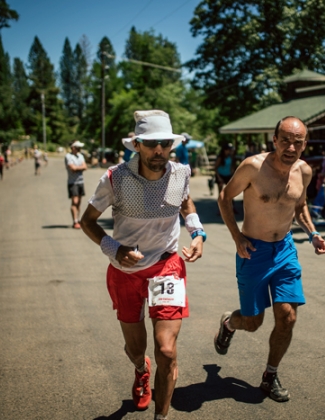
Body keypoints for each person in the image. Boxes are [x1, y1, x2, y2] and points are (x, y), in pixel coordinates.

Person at [81, 110, 205, 420]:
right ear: (137, 145)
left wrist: (198, 232)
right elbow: (87, 222)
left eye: (164, 143)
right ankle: (140, 369)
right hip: (126, 272)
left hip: (167, 267)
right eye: (151, 144)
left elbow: (186, 204)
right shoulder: (115, 178)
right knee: (137, 349)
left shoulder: (181, 173)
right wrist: (114, 247)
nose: (158, 151)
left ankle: (161, 416)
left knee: (166, 351)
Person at [213, 116, 325, 402]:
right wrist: (237, 237)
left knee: (287, 316)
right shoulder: (253, 167)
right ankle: (229, 323)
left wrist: (312, 233)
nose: (291, 147)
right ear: (275, 140)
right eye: (285, 140)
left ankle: (270, 374)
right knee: (253, 322)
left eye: (297, 142)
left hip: (285, 250)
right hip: (253, 250)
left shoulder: (304, 171)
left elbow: (299, 207)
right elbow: (225, 198)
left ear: (304, 144)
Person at [65, 141, 88, 229]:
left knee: (79, 202)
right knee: (74, 202)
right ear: (73, 147)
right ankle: (75, 221)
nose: (79, 149)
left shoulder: (80, 156)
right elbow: (72, 168)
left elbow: (85, 167)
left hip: (80, 182)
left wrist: (77, 168)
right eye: (77, 147)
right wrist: (80, 168)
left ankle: (77, 219)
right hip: (73, 182)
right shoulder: (68, 156)